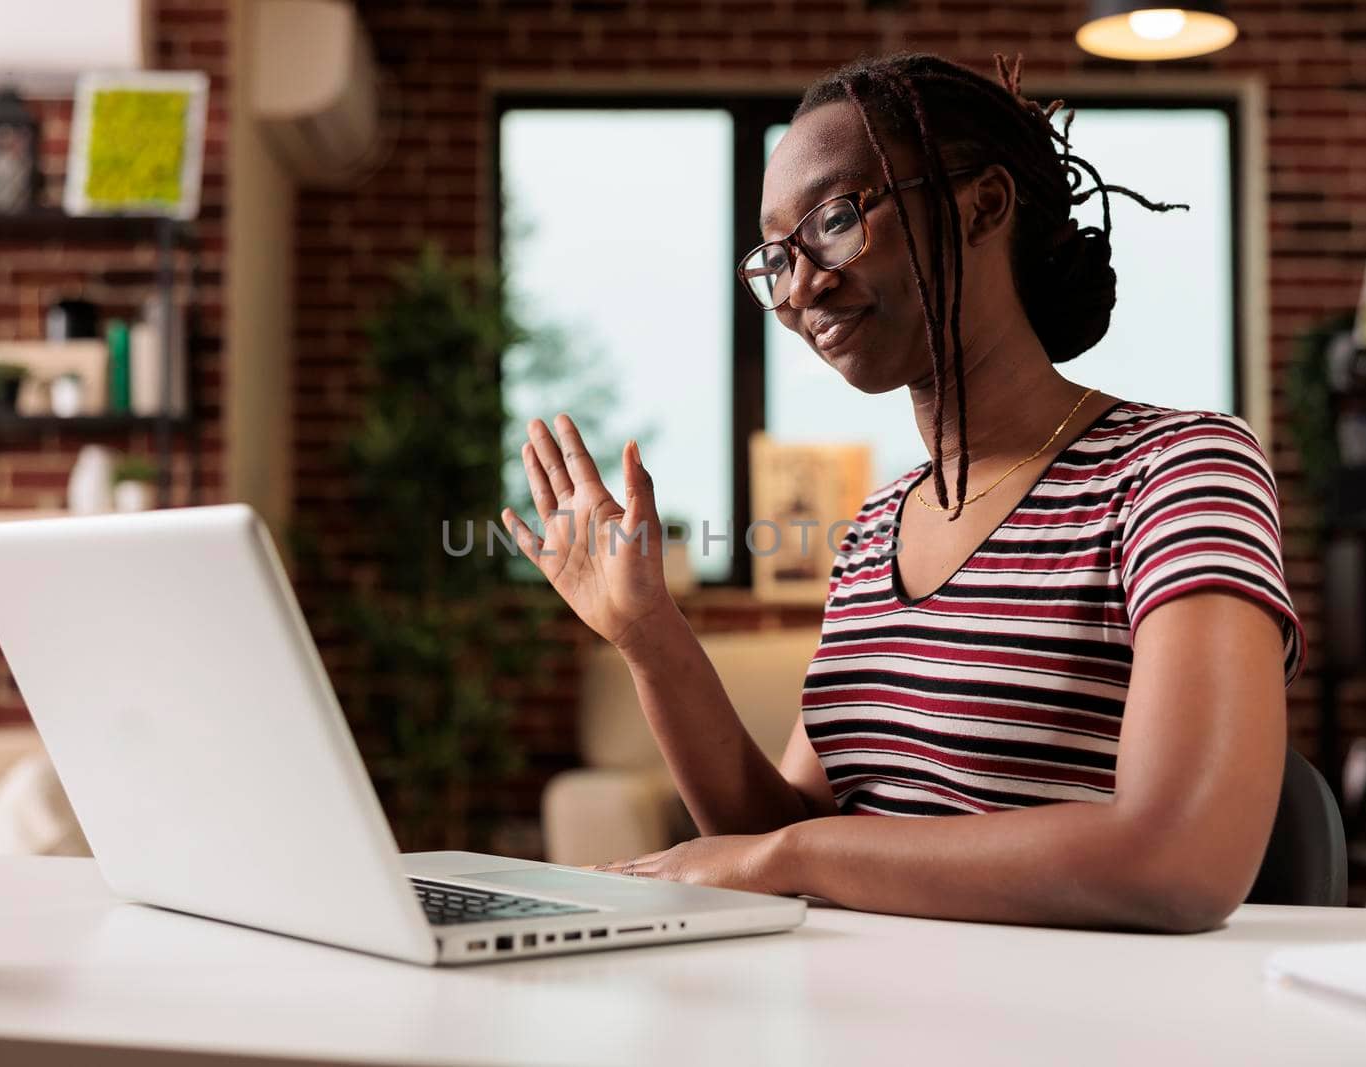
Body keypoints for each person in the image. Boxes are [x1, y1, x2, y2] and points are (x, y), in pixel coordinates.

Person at [500, 51, 1306, 933]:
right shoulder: (880, 523)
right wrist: (650, 635)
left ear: (982, 206)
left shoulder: (1177, 469)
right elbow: (773, 838)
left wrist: (792, 856)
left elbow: (1180, 861)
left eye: (835, 220)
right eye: (776, 257)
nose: (800, 284)